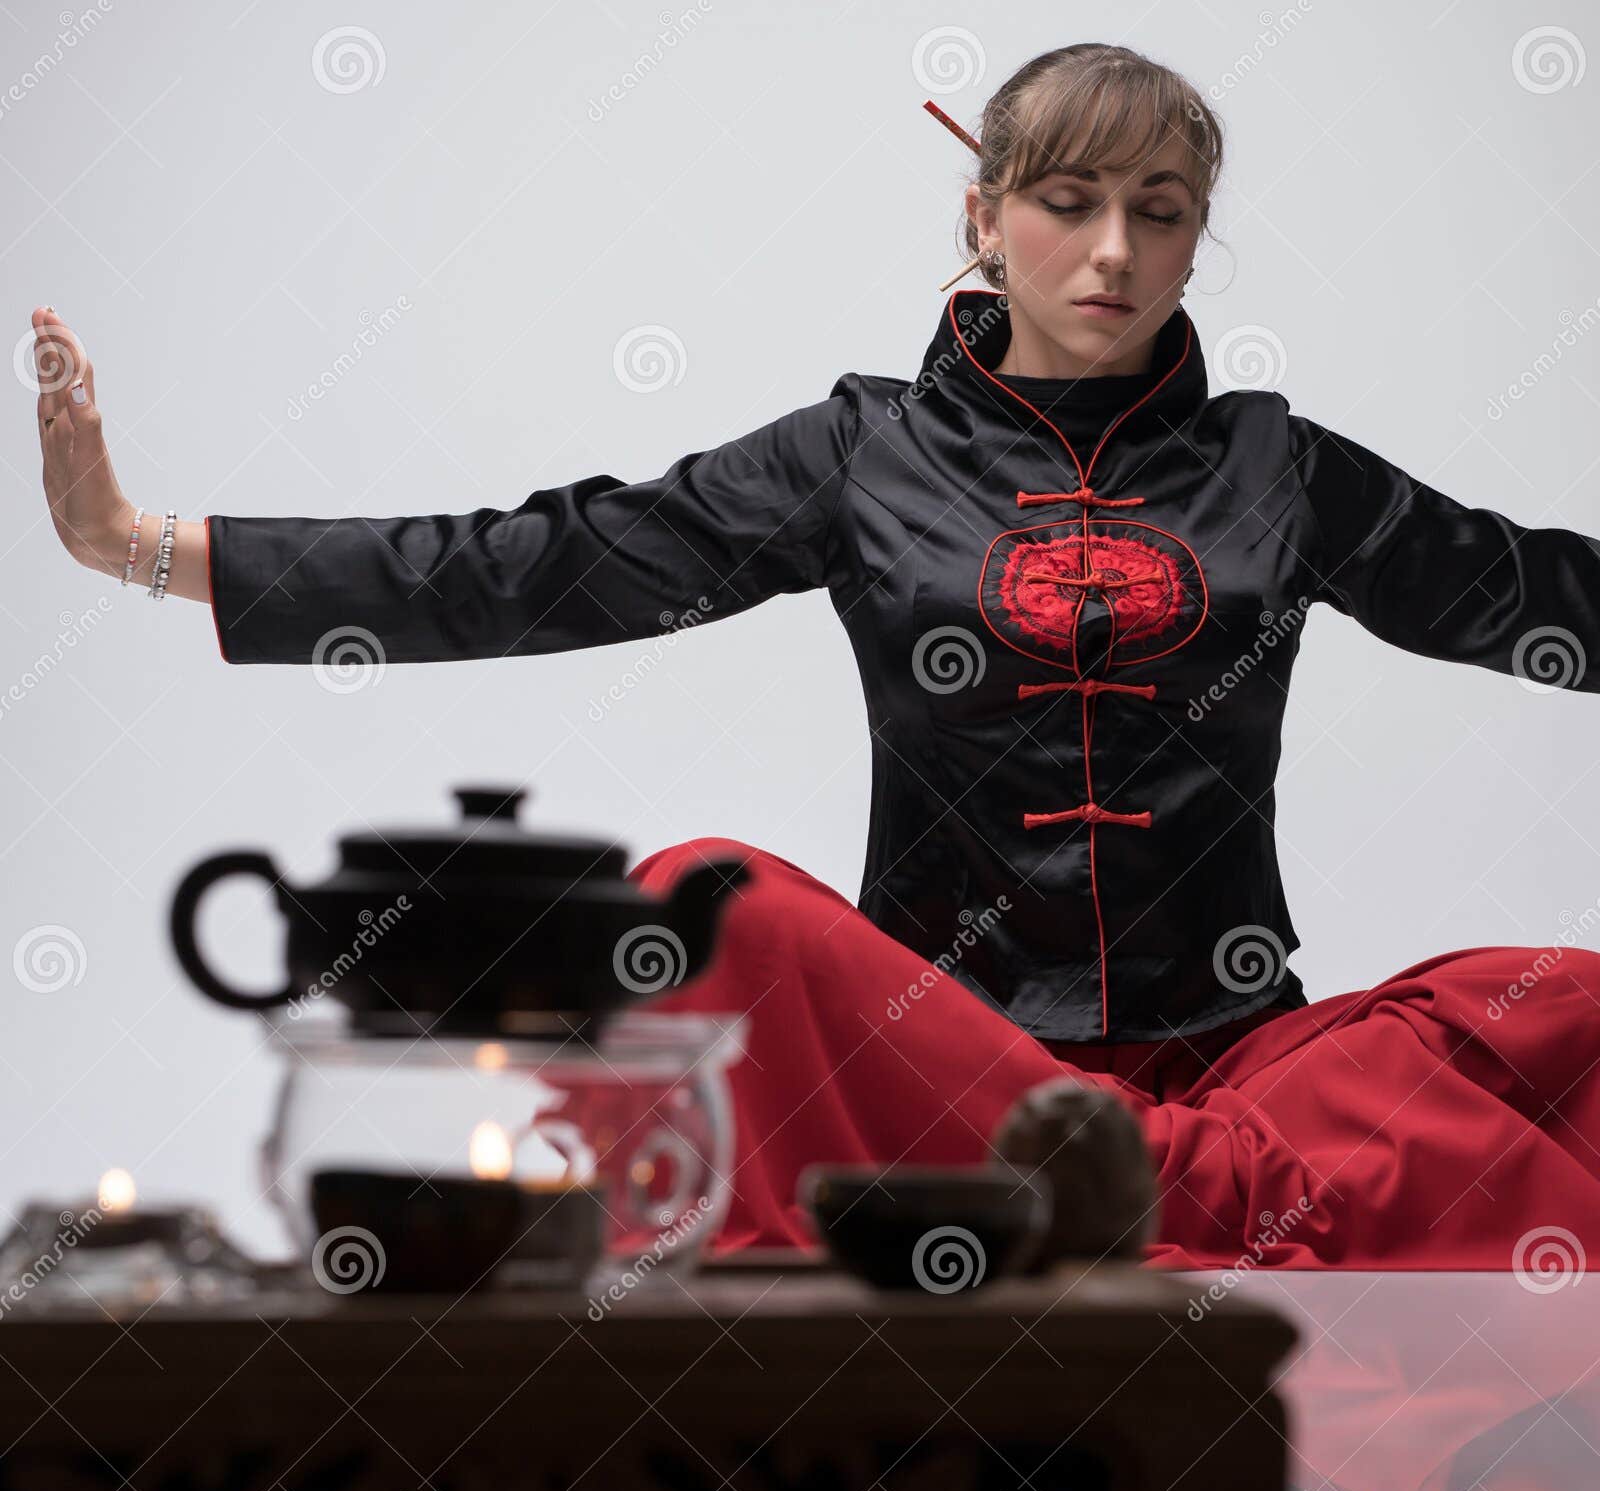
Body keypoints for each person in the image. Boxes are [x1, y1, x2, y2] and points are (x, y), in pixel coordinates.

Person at [34, 43, 1600, 1273]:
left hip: (1241, 1066)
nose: (1114, 249)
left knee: (1563, 1014)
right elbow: (543, 564)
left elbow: (1541, 597)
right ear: (982, 214)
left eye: (1163, 210)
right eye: (1068, 201)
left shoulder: (1283, 470)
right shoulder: (862, 458)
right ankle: (1088, 1205)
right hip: (936, 1065)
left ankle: (1164, 1194)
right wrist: (143, 545)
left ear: (1197, 241)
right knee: (709, 900)